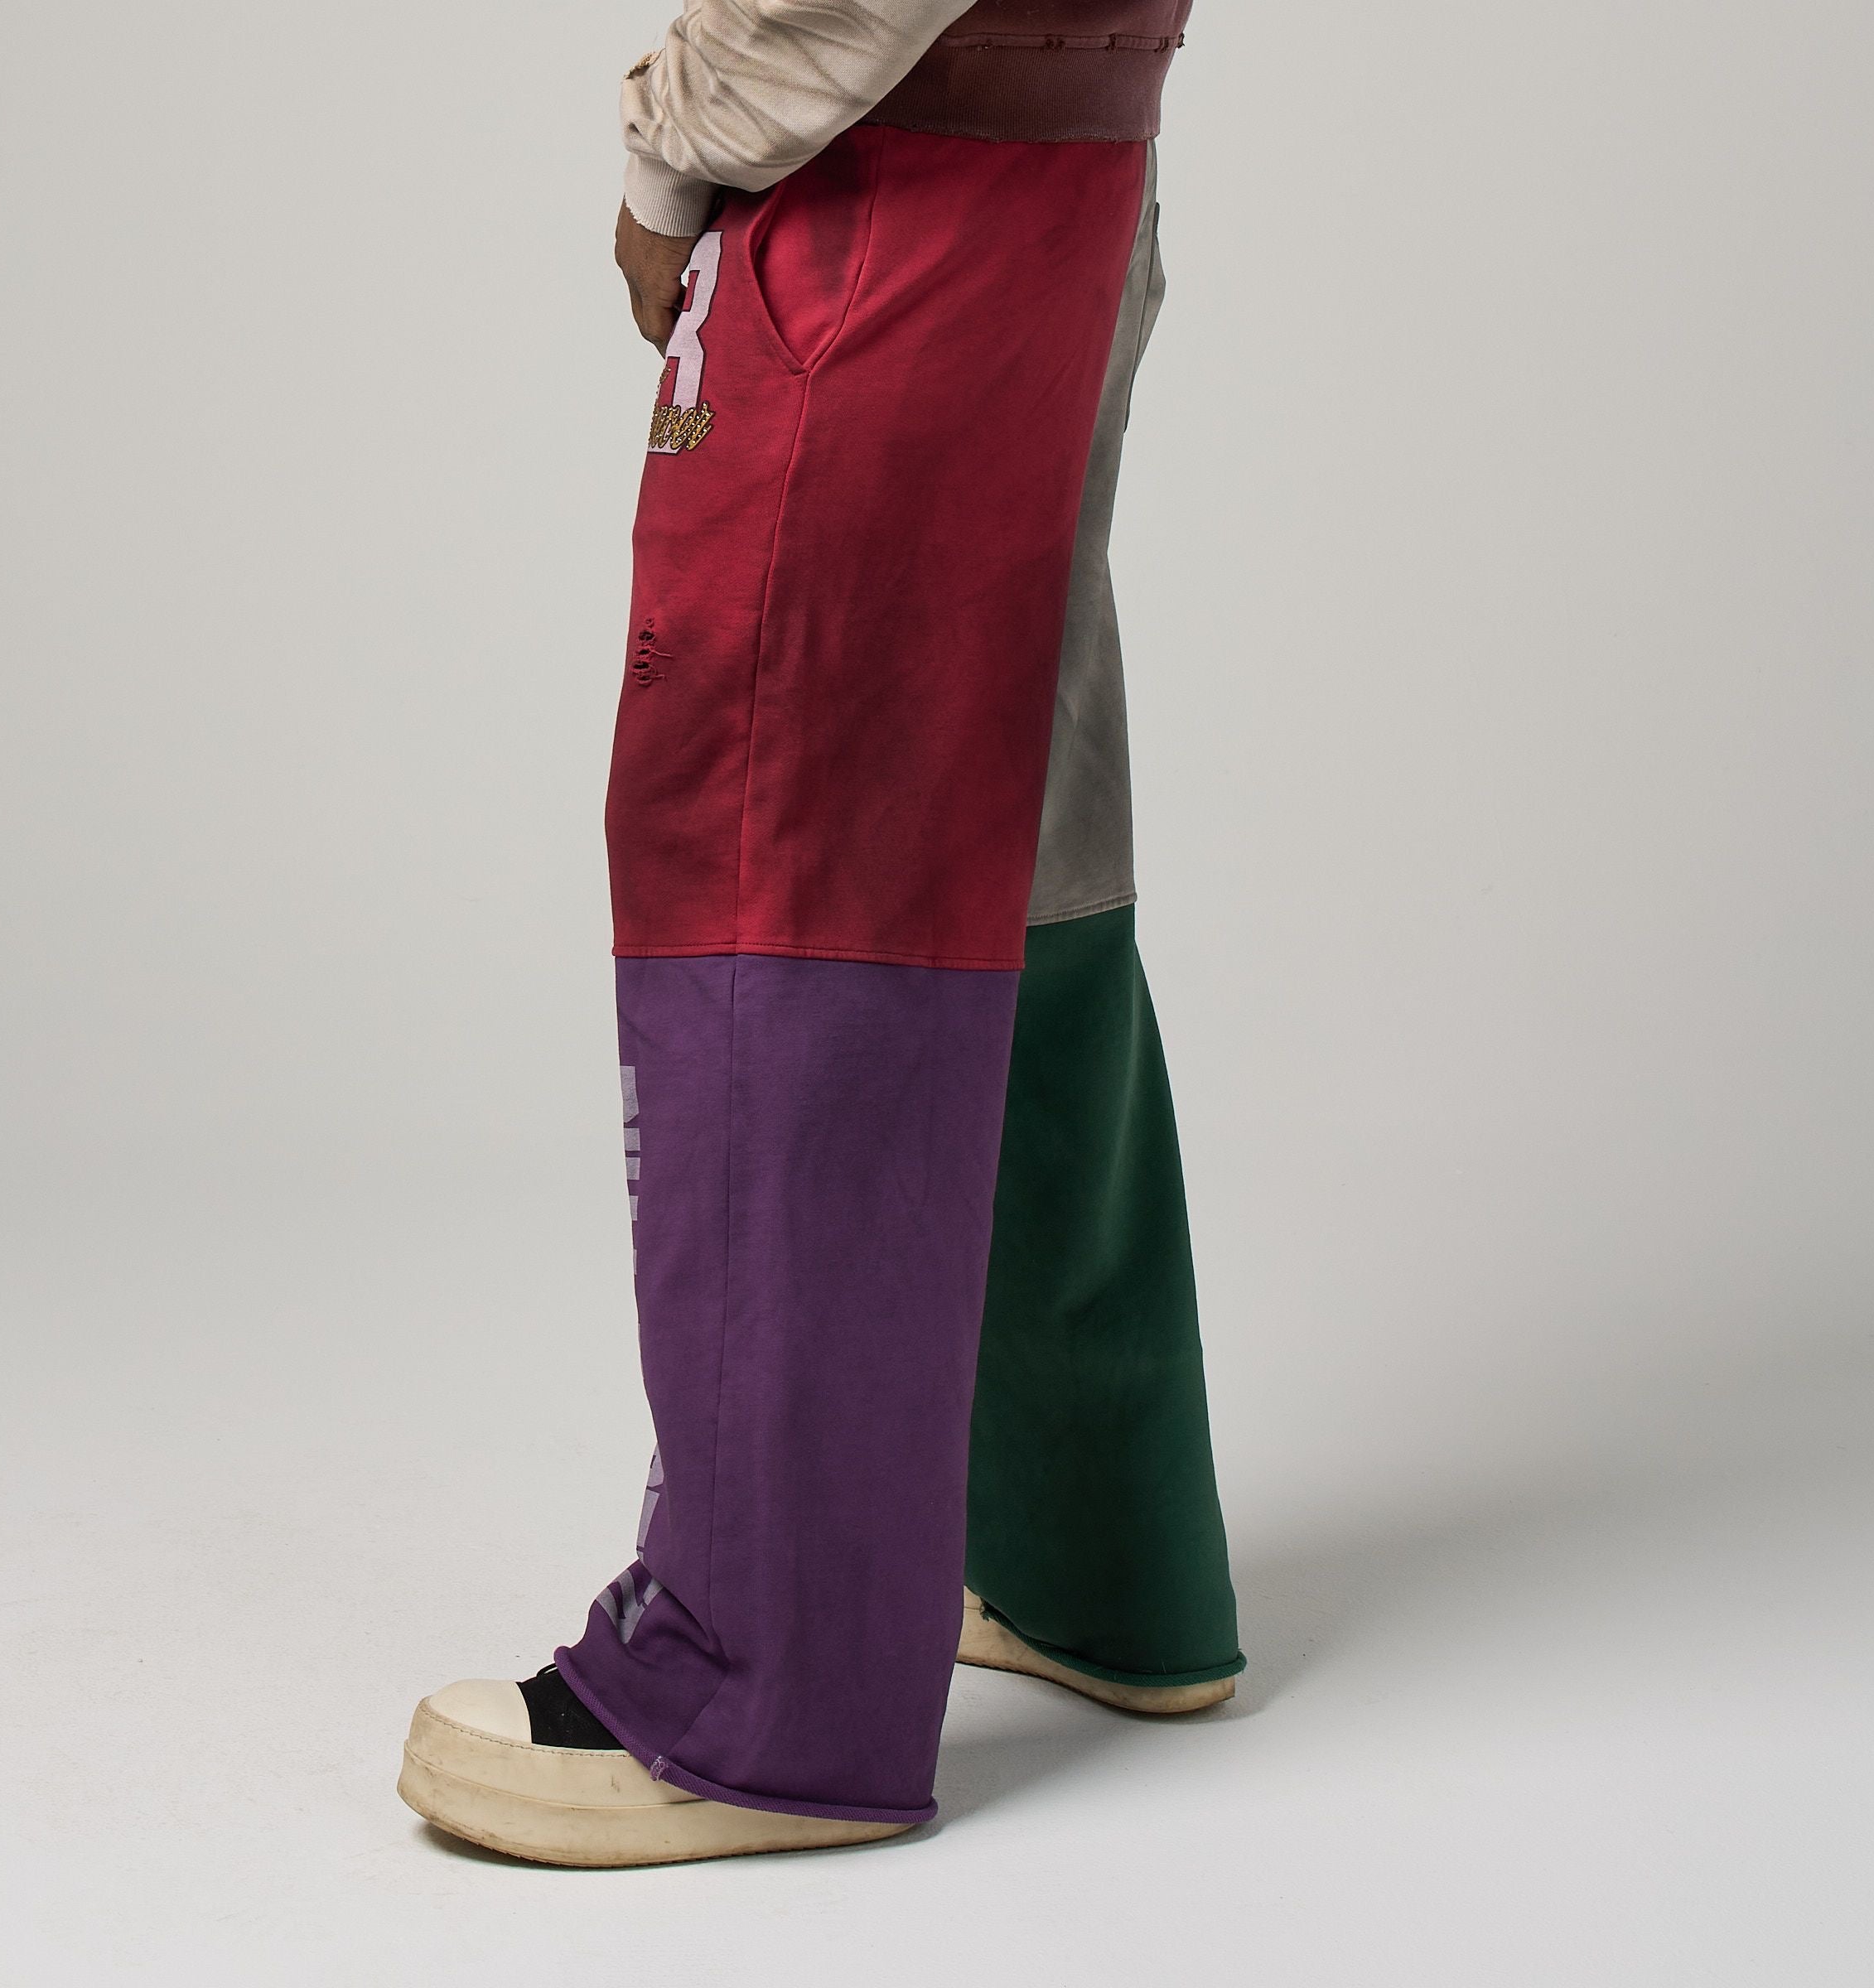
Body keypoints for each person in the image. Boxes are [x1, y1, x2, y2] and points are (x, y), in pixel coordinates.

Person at [398, 0, 1241, 1868]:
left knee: (787, 835)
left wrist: (669, 148)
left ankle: (761, 1682)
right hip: (1077, 165)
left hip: (888, 182)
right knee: (1015, 830)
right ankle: (1093, 1558)